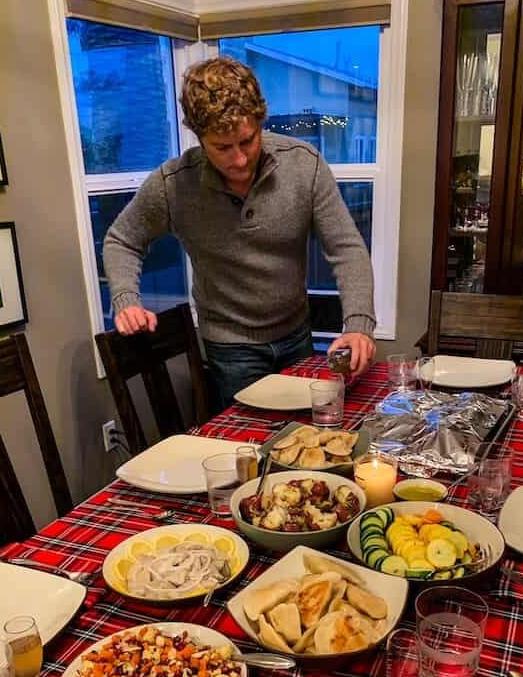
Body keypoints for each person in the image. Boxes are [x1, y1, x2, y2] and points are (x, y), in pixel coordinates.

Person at [103, 56, 376, 411]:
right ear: (199, 138)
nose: (240, 159)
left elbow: (347, 248)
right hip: (230, 349)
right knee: (245, 449)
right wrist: (126, 297)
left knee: (306, 439)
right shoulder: (173, 185)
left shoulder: (303, 164)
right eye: (222, 147)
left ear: (261, 122)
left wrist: (358, 323)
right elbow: (122, 240)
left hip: (296, 335)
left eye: (248, 141)